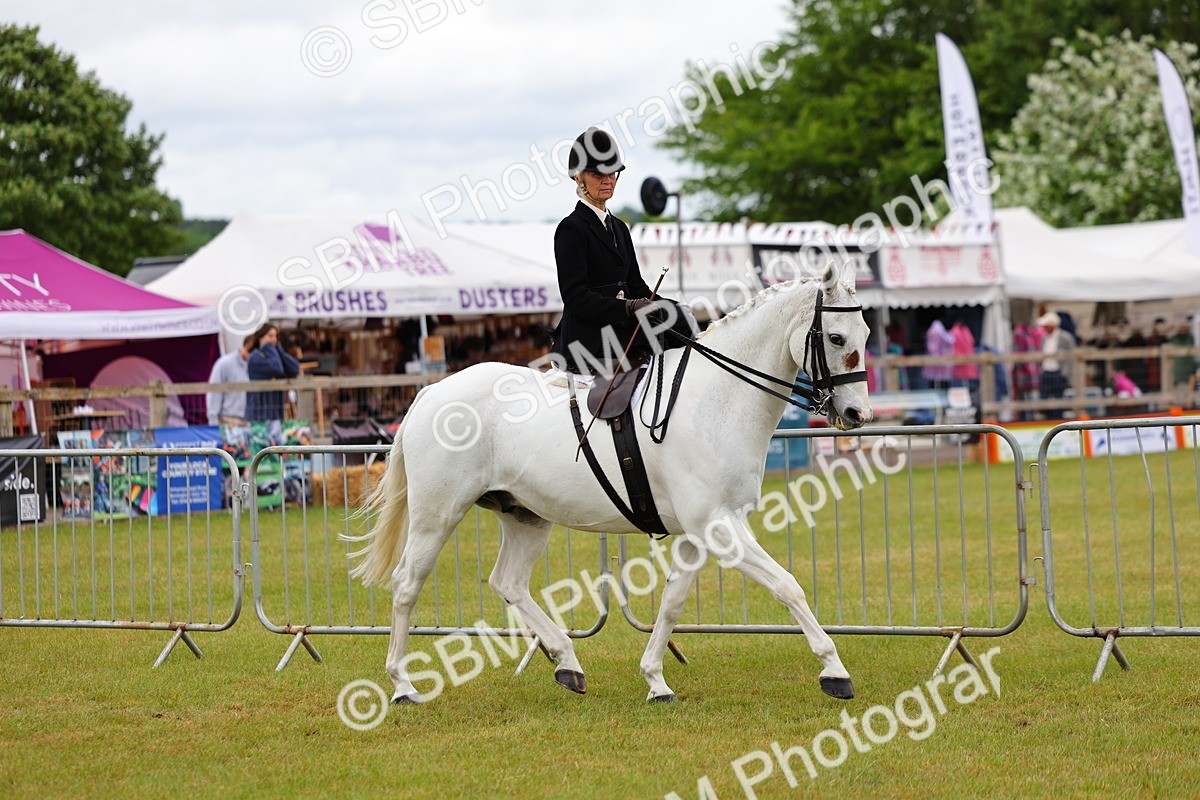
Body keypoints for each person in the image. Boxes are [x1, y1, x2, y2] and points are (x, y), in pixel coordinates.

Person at [550, 126, 692, 375]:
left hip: (620, 324)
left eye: (612, 173)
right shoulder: (571, 228)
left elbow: (636, 287)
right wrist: (627, 308)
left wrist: (667, 307)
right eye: (597, 174)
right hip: (589, 336)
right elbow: (575, 297)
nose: (607, 180)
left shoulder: (620, 228)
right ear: (578, 177)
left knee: (681, 319)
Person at [246, 323, 301, 421]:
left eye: (276, 336)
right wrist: (269, 347)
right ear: (260, 338)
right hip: (259, 411)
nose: (274, 339)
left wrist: (279, 350)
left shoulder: (275, 356)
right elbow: (277, 368)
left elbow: (295, 368)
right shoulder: (255, 357)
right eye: (270, 336)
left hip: (276, 409)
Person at [206, 335, 253, 426]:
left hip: (250, 422)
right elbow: (214, 393)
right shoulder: (224, 364)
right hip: (228, 420)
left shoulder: (256, 366)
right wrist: (213, 422)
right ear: (247, 345)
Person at [1037, 312, 1075, 419]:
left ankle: (1057, 419)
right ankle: (1046, 418)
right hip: (1046, 371)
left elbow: (1071, 357)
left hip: (1058, 372)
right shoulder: (1044, 338)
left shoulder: (1065, 337)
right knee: (1044, 399)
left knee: (1059, 399)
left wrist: (1066, 374)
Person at [921, 319, 954, 389]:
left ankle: (933, 392)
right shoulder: (940, 332)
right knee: (943, 380)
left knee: (933, 380)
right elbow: (951, 341)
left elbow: (930, 347)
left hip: (932, 361)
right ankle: (944, 393)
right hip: (942, 362)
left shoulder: (930, 332)